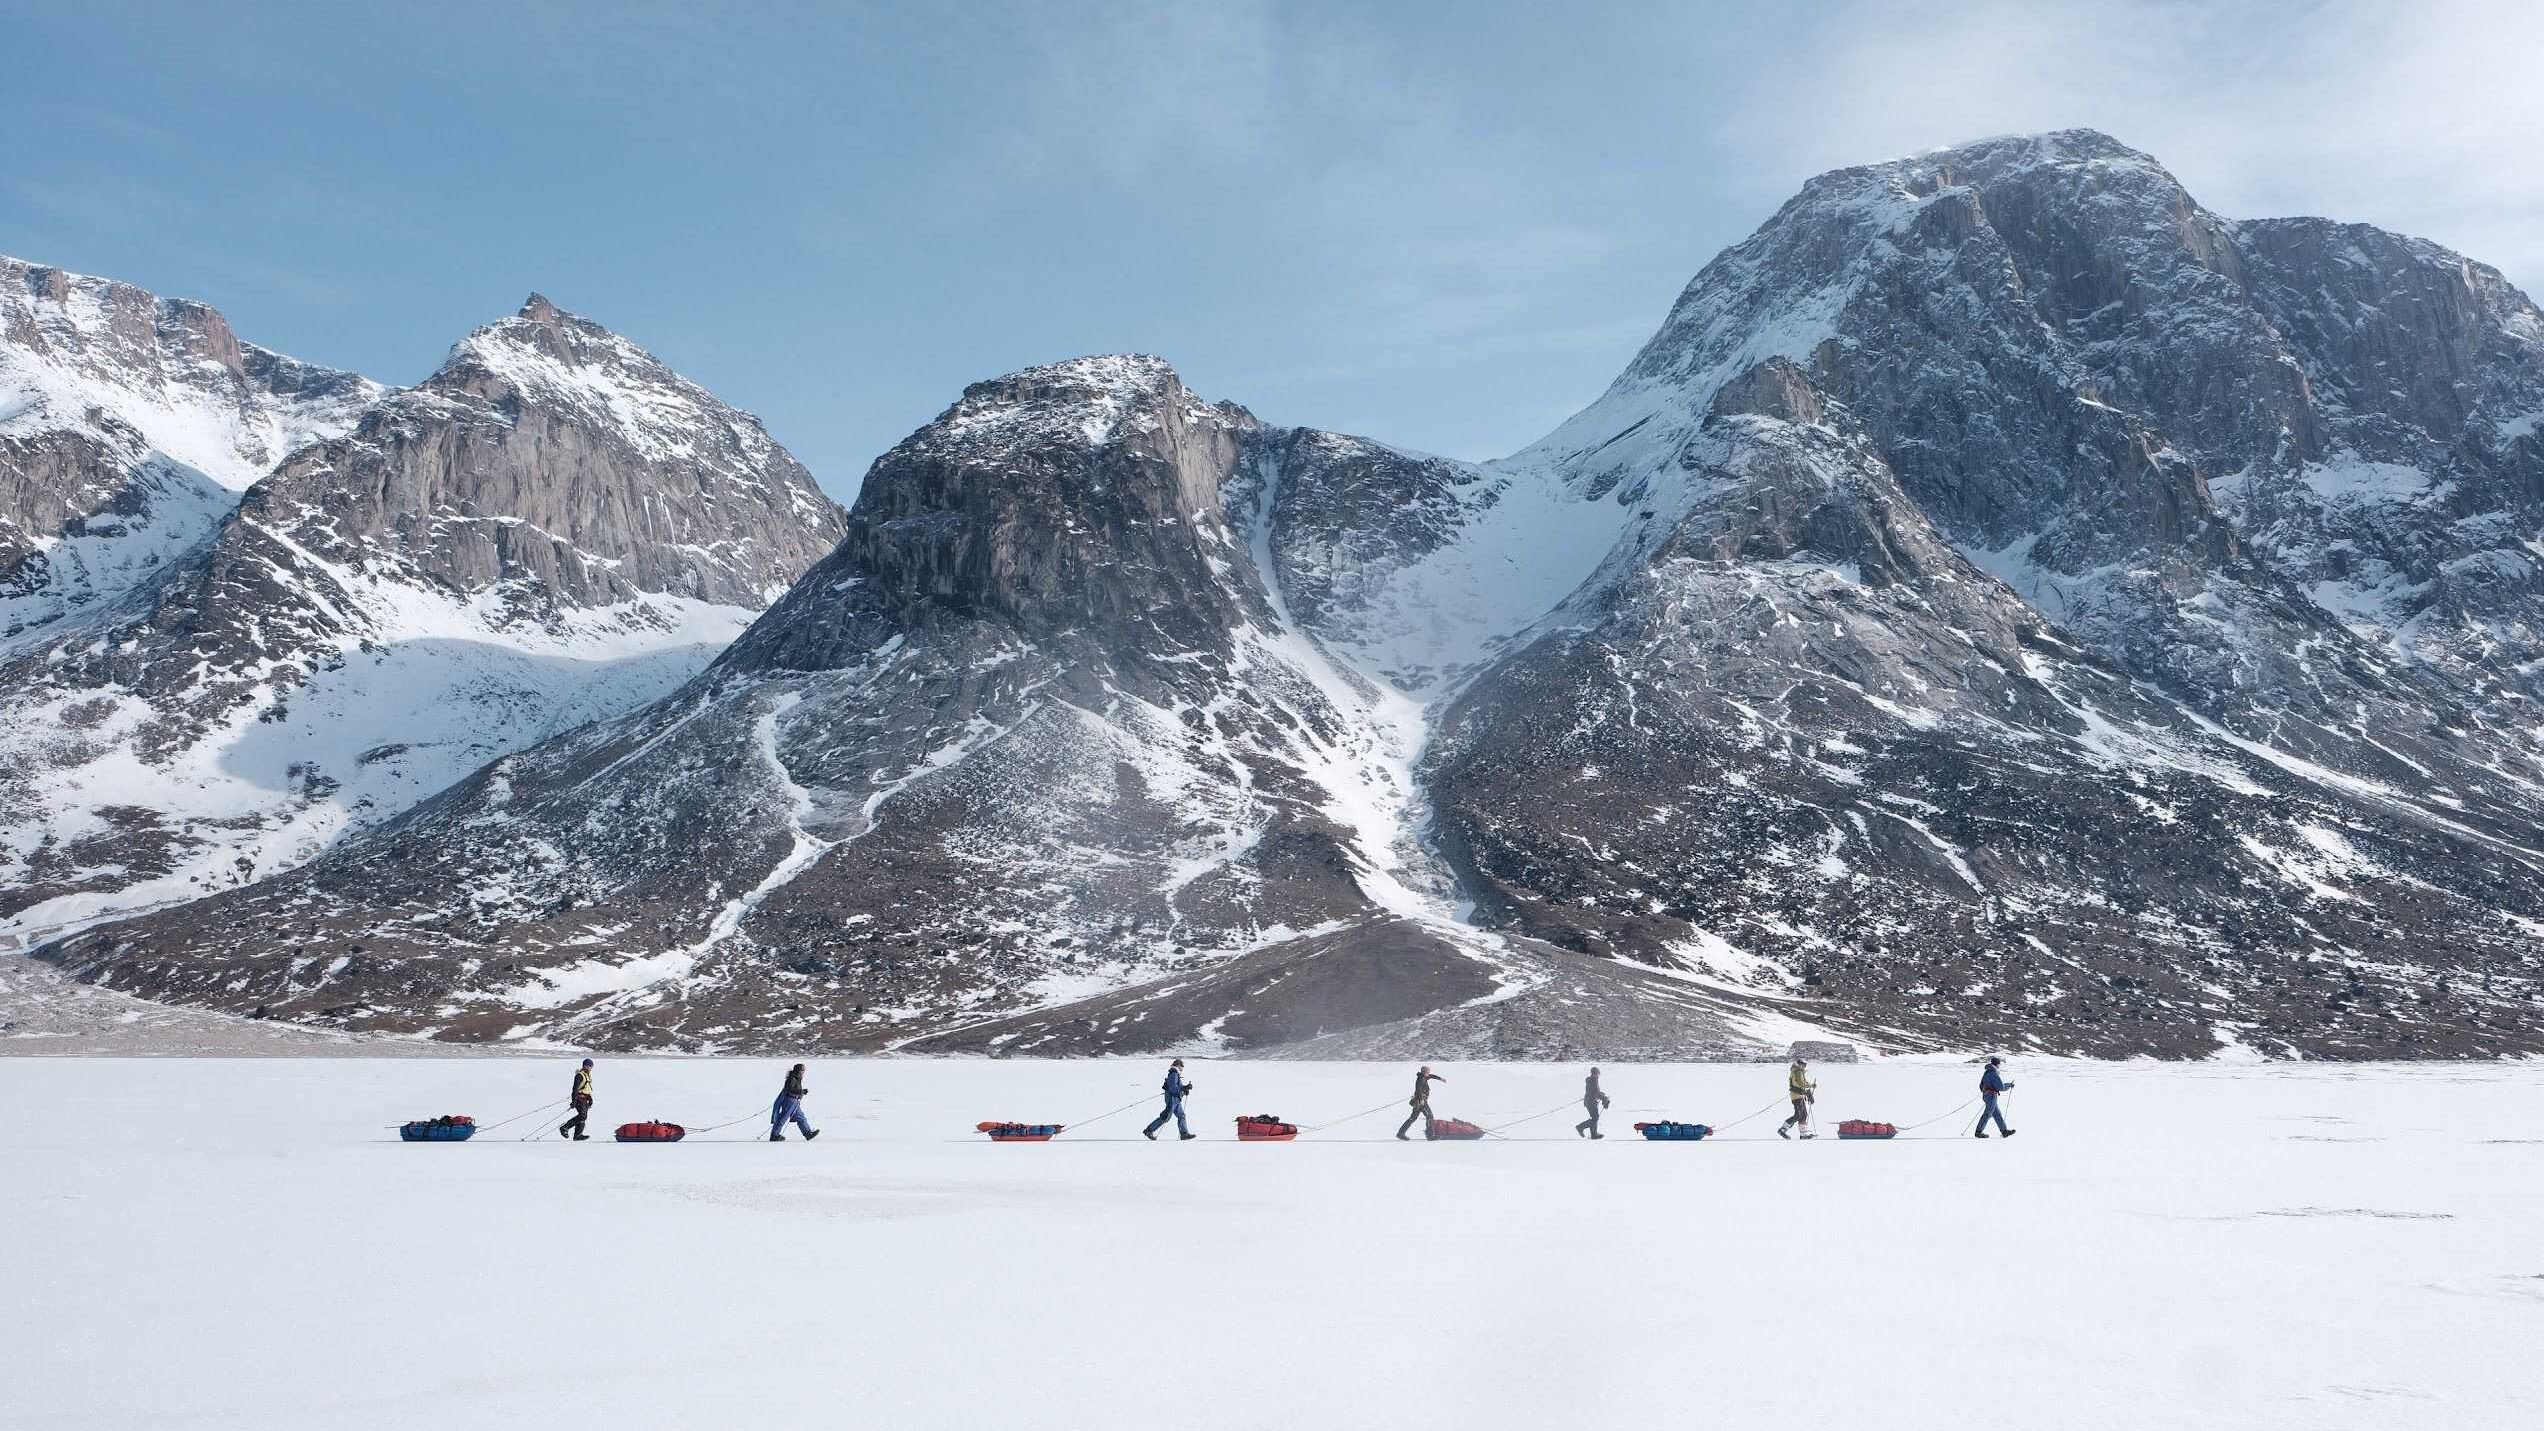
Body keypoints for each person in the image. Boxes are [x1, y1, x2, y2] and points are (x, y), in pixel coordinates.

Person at [1143, 1058, 1196, 1141]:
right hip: (1172, 1099)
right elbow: (1173, 1088)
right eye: (1182, 1066)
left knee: (1181, 1115)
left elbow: (1178, 1087)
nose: (1182, 1069)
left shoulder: (1175, 1074)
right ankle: (1149, 1130)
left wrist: (1185, 1089)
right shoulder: (1174, 1074)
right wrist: (1184, 1088)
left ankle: (1184, 1134)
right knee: (1166, 1116)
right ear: (1178, 1065)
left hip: (1176, 1100)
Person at [770, 1062, 820, 1142]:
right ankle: (774, 1135)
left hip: (794, 1101)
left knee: (801, 1117)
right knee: (782, 1118)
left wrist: (801, 1092)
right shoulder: (792, 1079)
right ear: (798, 1071)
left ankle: (808, 1133)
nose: (803, 1072)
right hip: (789, 1101)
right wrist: (801, 1091)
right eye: (802, 1070)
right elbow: (791, 1089)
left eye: (803, 1070)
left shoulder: (797, 1078)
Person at [1396, 1064, 1447, 1140]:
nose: (1429, 1073)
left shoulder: (1424, 1077)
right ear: (1424, 1072)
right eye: (1428, 1071)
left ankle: (1400, 1133)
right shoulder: (1421, 1079)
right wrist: (1421, 1099)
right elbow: (1418, 1089)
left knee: (1413, 1118)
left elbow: (1432, 1076)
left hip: (1419, 1101)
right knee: (1429, 1116)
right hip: (1421, 1101)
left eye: (1429, 1071)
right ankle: (1430, 1136)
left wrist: (1440, 1079)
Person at [1974, 1056, 2016, 1138]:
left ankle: (2004, 1131)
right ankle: (1978, 1132)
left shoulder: (1987, 1072)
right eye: (1999, 1064)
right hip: (1991, 1096)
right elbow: (2001, 1087)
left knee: (1997, 1114)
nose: (1999, 1066)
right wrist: (2009, 1085)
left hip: (1987, 1095)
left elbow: (1981, 1085)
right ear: (1997, 1064)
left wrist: (1985, 1091)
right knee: (1987, 1114)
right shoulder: (1993, 1073)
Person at [1776, 1057, 1816, 1139]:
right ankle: (1782, 1129)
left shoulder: (1799, 1072)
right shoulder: (1797, 1072)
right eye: (1803, 1065)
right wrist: (1811, 1086)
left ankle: (1803, 1134)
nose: (1804, 1066)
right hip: (1797, 1096)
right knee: (1798, 1115)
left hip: (1800, 1095)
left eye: (1805, 1065)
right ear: (1799, 1064)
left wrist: (1808, 1090)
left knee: (1803, 1114)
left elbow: (1803, 1083)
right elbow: (1801, 1084)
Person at [558, 1058, 595, 1141]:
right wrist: (573, 1101)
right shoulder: (580, 1075)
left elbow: (587, 1089)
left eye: (591, 1066)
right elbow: (575, 1089)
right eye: (589, 1066)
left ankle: (578, 1135)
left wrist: (590, 1099)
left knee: (583, 1116)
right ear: (585, 1065)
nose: (590, 1068)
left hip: (585, 1099)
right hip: (579, 1098)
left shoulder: (587, 1075)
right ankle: (564, 1127)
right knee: (582, 1115)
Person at [1575, 1066, 1612, 1139]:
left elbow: (1595, 1092)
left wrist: (1602, 1095)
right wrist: (1604, 1098)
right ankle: (1580, 1127)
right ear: (1595, 1073)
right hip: (1591, 1102)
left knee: (1594, 1117)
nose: (1598, 1075)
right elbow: (1595, 1093)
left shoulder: (1592, 1080)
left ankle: (1594, 1134)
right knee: (1595, 1118)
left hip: (1590, 1101)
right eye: (1598, 1073)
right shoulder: (1593, 1080)